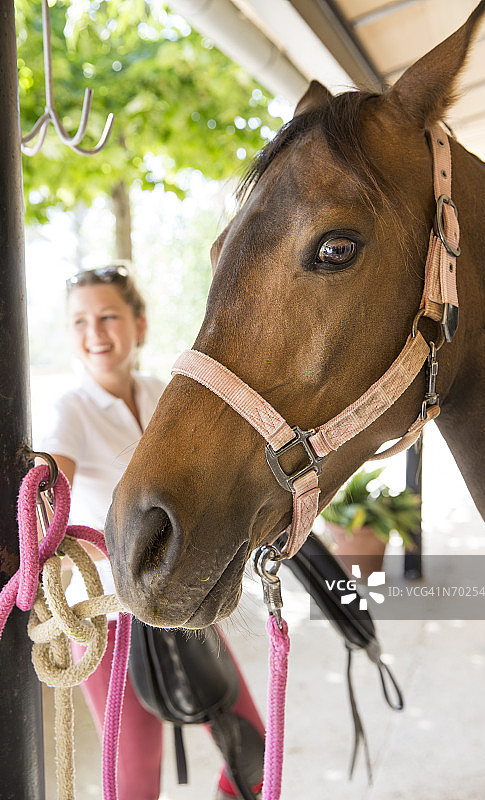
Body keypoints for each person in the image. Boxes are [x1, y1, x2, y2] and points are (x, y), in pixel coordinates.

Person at [34, 263, 264, 800]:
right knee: (135, 786)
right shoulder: (70, 410)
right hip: (108, 620)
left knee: (252, 755)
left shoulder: (164, 394)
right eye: (80, 321)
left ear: (139, 324)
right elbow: (48, 502)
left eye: (109, 316)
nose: (95, 333)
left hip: (178, 602)